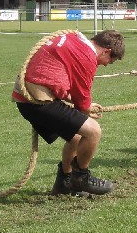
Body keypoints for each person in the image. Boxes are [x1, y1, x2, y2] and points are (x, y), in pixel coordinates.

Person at [12, 29, 124, 195]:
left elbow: (60, 82)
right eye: (110, 60)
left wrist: (84, 106)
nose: (106, 64)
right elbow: (82, 102)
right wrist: (86, 108)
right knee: (93, 131)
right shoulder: (86, 57)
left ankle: (64, 182)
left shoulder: (74, 39)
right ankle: (81, 177)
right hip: (38, 103)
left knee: (77, 135)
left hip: (28, 99)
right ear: (106, 51)